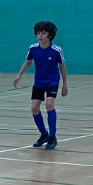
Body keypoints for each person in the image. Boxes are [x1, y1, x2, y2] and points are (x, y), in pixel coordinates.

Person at [13, 21, 68, 150]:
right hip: (38, 82)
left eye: (43, 33)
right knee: (34, 108)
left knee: (49, 104)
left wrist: (65, 84)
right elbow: (28, 62)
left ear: (50, 35)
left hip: (52, 81)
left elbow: (62, 66)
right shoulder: (33, 48)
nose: (40, 36)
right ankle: (44, 134)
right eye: (38, 33)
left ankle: (52, 137)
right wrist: (19, 75)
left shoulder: (56, 50)